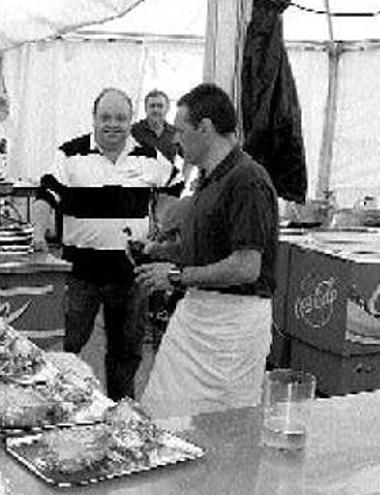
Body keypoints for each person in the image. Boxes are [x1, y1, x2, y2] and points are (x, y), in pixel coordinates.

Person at [134, 83, 280, 418]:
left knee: (221, 425)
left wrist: (174, 276)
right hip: (198, 313)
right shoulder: (209, 179)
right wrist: (162, 251)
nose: (175, 140)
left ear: (205, 128)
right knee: (163, 410)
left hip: (232, 326)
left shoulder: (248, 180)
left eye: (182, 131)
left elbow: (246, 267)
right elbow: (206, 249)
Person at [36, 87, 177, 401]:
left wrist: (161, 225)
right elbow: (46, 195)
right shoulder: (69, 154)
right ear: (94, 119)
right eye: (106, 117)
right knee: (64, 347)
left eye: (121, 118)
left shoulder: (150, 156)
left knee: (125, 355)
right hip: (79, 274)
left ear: (131, 121)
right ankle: (52, 406)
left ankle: (121, 412)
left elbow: (176, 185)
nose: (113, 124)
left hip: (130, 275)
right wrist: (37, 232)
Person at [131, 89, 180, 163]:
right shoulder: (133, 131)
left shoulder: (176, 133)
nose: (156, 110)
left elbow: (187, 159)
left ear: (167, 108)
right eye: (152, 106)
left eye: (160, 106)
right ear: (145, 109)